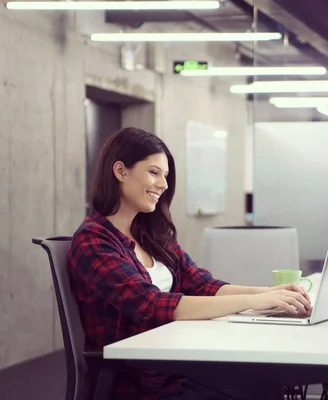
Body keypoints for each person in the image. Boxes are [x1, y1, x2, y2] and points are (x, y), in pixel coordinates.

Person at [67, 127, 312, 400]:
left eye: (166, 176)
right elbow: (152, 305)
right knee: (259, 388)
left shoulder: (150, 235)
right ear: (121, 171)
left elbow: (203, 285)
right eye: (153, 172)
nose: (163, 184)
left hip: (175, 365)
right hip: (141, 383)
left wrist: (269, 294)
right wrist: (254, 302)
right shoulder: (93, 241)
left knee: (267, 381)